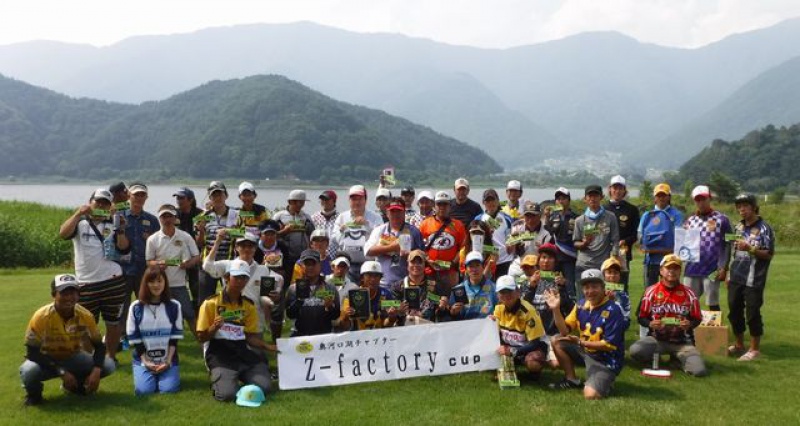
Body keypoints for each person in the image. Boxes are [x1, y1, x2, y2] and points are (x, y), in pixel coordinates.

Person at [20, 274, 116, 405]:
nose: (69, 298)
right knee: (29, 371)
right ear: (54, 295)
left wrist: (96, 370)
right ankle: (34, 396)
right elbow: (32, 352)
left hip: (72, 357)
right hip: (44, 360)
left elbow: (99, 346)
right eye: (64, 293)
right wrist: (61, 371)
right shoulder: (41, 316)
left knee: (108, 365)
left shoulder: (85, 315)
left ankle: (76, 386)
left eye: (73, 293)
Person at [58, 188, 130, 362]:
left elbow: (124, 248)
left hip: (112, 280)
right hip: (86, 283)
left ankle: (111, 357)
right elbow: (63, 233)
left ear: (109, 206)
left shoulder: (113, 223)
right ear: (90, 202)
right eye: (97, 201)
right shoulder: (80, 223)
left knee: (113, 323)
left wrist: (120, 229)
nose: (100, 205)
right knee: (84, 325)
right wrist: (77, 214)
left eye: (105, 202)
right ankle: (92, 358)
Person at [197, 259, 272, 402]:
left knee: (266, 387)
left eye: (244, 278)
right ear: (226, 278)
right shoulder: (210, 303)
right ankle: (222, 379)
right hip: (220, 353)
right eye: (236, 277)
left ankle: (239, 376)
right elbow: (201, 337)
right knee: (227, 395)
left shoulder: (248, 306)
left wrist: (268, 346)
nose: (240, 281)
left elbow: (250, 337)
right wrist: (214, 327)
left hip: (242, 351)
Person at [547, 269, 625, 400]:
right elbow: (564, 330)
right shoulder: (581, 304)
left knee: (590, 395)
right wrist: (555, 309)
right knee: (557, 340)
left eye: (594, 287)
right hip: (586, 350)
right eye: (586, 287)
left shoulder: (614, 310)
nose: (590, 291)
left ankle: (606, 381)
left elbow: (609, 345)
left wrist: (580, 342)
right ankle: (571, 379)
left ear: (603, 287)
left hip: (606, 359)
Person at [630, 254, 707, 377]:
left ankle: (676, 359)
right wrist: (650, 323)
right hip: (656, 339)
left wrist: (690, 324)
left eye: (676, 268)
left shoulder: (689, 293)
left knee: (699, 371)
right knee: (636, 351)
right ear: (661, 270)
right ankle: (655, 358)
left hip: (683, 342)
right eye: (668, 268)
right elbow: (641, 316)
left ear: (680, 271)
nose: (672, 271)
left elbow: (697, 318)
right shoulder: (651, 291)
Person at [203, 231, 284, 338]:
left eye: (250, 246)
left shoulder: (263, 269)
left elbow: (270, 289)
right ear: (236, 247)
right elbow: (207, 266)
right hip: (232, 318)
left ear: (255, 248)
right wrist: (218, 242)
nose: (247, 249)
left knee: (255, 352)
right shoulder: (227, 265)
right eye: (243, 246)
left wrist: (275, 296)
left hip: (255, 320)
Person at [727, 194, 775, 361]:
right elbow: (733, 251)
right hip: (735, 277)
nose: (742, 210)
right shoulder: (738, 227)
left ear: (754, 207)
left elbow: (768, 254)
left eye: (745, 206)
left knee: (753, 312)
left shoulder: (764, 228)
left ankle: (754, 349)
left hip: (754, 278)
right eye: (739, 206)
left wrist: (750, 249)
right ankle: (739, 344)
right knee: (734, 311)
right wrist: (727, 273)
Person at [145, 204, 201, 338]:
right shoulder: (153, 239)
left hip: (179, 284)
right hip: (159, 285)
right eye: (164, 216)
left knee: (189, 314)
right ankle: (159, 344)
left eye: (170, 216)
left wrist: (188, 263)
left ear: (175, 218)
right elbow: (148, 262)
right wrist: (158, 264)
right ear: (159, 219)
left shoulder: (185, 236)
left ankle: (203, 344)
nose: (167, 219)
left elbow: (197, 256)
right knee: (159, 316)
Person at [126, 267, 183, 395]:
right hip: (143, 360)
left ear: (165, 283)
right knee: (144, 391)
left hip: (168, 359)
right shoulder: (136, 307)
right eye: (151, 282)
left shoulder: (174, 306)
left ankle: (167, 374)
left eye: (159, 281)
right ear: (145, 283)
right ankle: (146, 374)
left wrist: (168, 361)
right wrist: (146, 362)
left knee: (169, 390)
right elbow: (136, 339)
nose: (156, 285)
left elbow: (174, 338)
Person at [120, 182, 161, 348]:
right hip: (123, 268)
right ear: (129, 195)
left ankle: (146, 333)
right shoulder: (120, 217)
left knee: (146, 302)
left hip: (144, 270)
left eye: (142, 195)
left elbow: (159, 243)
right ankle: (124, 335)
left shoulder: (151, 220)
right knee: (123, 304)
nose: (139, 198)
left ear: (146, 197)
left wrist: (150, 238)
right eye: (136, 194)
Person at [521, 244, 574, 368]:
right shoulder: (528, 282)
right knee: (533, 361)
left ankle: (544, 354)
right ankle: (535, 355)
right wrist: (531, 287)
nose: (546, 261)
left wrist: (562, 289)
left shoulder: (561, 282)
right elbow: (522, 307)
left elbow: (571, 309)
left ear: (555, 262)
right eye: (543, 257)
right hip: (532, 332)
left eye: (550, 258)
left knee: (555, 364)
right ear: (538, 261)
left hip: (551, 333)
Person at [682, 185, 732, 311]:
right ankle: (688, 329)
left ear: (709, 198)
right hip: (691, 269)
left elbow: (729, 243)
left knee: (712, 301)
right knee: (688, 303)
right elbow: (684, 245)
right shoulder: (690, 220)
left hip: (712, 270)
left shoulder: (723, 219)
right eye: (697, 200)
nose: (701, 202)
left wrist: (724, 267)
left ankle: (716, 330)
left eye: (703, 199)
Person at [490, 275, 547, 376]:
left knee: (533, 361)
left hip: (529, 349)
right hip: (510, 349)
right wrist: (489, 325)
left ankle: (534, 374)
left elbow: (535, 343)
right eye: (502, 292)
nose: (506, 295)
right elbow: (495, 336)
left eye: (510, 291)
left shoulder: (529, 311)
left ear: (517, 292)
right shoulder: (498, 309)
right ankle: (508, 368)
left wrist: (512, 351)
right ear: (498, 295)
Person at [364, 197, 424, 289]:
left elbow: (422, 257)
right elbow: (367, 251)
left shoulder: (414, 232)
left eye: (399, 211)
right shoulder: (379, 230)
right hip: (382, 283)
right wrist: (391, 248)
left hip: (405, 284)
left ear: (404, 212)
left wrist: (409, 254)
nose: (395, 214)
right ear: (387, 213)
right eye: (392, 211)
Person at [195, 181, 239, 302]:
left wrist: (230, 231)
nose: (217, 198)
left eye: (220, 194)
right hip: (207, 262)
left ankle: (228, 321)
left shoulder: (236, 214)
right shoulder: (202, 216)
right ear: (210, 197)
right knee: (205, 300)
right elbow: (198, 243)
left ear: (226, 195)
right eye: (214, 195)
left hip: (229, 262)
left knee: (231, 298)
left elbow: (244, 235)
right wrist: (202, 231)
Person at [573, 185, 620, 297]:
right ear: (585, 199)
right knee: (582, 299)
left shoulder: (610, 217)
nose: (593, 198)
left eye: (596, 195)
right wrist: (585, 243)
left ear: (602, 197)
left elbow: (615, 240)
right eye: (590, 196)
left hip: (603, 266)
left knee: (603, 298)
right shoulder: (579, 220)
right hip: (583, 265)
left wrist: (613, 260)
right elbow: (575, 242)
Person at [332, 185, 384, 282]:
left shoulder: (376, 217)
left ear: (365, 200)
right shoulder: (342, 217)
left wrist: (367, 225)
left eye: (360, 199)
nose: (357, 202)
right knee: (347, 294)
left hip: (368, 264)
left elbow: (381, 238)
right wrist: (342, 231)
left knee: (367, 293)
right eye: (353, 199)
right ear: (349, 201)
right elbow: (334, 238)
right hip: (347, 265)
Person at [285, 250, 341, 336]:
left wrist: (330, 307)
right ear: (301, 266)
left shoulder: (330, 288)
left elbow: (336, 316)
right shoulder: (293, 289)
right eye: (307, 264)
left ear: (320, 265)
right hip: (301, 335)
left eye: (313, 264)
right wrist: (299, 301)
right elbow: (290, 315)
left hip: (324, 336)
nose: (310, 267)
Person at [638, 182, 683, 288]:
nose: (661, 198)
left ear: (669, 197)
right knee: (650, 291)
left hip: (671, 262)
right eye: (659, 195)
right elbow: (639, 236)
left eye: (664, 195)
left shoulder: (677, 214)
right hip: (651, 261)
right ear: (655, 198)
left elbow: (680, 237)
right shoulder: (646, 215)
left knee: (671, 291)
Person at [419, 191, 467, 288]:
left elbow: (463, 248)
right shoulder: (425, 224)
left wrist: (453, 263)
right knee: (431, 298)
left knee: (450, 299)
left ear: (450, 206)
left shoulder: (458, 225)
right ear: (434, 205)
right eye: (439, 204)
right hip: (430, 271)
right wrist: (428, 260)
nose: (442, 207)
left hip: (450, 272)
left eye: (445, 204)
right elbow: (419, 247)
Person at [339, 261, 404, 330]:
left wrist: (392, 318)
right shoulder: (350, 296)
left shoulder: (386, 294)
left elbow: (386, 325)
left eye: (376, 276)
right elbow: (344, 327)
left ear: (380, 278)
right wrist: (345, 317)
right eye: (369, 275)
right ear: (362, 278)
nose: (373, 279)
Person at [604, 175, 640, 290]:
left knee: (622, 286)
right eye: (615, 188)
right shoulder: (603, 209)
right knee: (605, 286)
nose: (617, 191)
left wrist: (625, 241)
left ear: (625, 190)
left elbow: (635, 235)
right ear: (610, 189)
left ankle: (623, 308)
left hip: (623, 253)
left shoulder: (632, 209)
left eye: (620, 188)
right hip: (605, 252)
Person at [272, 189, 315, 280]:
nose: (299, 205)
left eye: (302, 202)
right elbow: (270, 237)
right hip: (283, 257)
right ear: (289, 201)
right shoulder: (278, 217)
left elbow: (312, 237)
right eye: (296, 202)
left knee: (301, 281)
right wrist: (284, 231)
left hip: (301, 258)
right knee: (284, 280)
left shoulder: (307, 218)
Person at [390, 250, 441, 323]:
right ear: (407, 265)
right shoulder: (397, 287)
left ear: (425, 265)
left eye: (420, 262)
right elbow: (391, 317)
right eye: (413, 262)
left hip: (428, 328)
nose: (416, 265)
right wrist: (399, 311)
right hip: (404, 329)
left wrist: (442, 307)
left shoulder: (435, 286)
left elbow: (440, 311)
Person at [545, 187, 579, 297]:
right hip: (555, 258)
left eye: (563, 198)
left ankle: (571, 309)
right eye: (558, 199)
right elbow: (548, 233)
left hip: (569, 258)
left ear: (569, 200)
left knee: (569, 286)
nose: (560, 201)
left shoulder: (576, 217)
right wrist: (546, 217)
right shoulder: (551, 217)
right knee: (551, 284)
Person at [174, 187, 203, 309]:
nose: (178, 200)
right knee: (176, 286)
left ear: (190, 200)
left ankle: (198, 312)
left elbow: (201, 242)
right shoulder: (174, 214)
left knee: (196, 287)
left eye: (181, 198)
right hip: (177, 255)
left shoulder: (200, 214)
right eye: (177, 197)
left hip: (196, 255)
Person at [448, 252, 497, 320]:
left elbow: (500, 312)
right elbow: (452, 315)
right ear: (466, 269)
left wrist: (495, 317)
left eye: (477, 265)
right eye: (471, 266)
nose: (474, 269)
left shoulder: (494, 288)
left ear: (483, 267)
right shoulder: (458, 290)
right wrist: (453, 312)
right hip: (467, 327)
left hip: (487, 327)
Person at [477, 189, 515, 277]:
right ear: (483, 202)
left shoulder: (507, 218)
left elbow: (510, 239)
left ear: (498, 201)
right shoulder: (478, 219)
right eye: (488, 201)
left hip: (504, 261)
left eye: (493, 200)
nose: (491, 203)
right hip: (486, 261)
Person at [601, 257, 631, 330]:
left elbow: (625, 317)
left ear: (619, 275)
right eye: (609, 272)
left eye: (616, 273)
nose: (613, 275)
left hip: (617, 327)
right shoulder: (598, 292)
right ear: (603, 275)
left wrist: (613, 303)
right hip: (600, 328)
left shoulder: (623, 295)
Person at [311, 190, 340, 260]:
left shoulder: (340, 218)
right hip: (317, 257)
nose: (324, 201)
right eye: (322, 199)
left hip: (335, 256)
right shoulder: (314, 217)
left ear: (334, 201)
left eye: (327, 199)